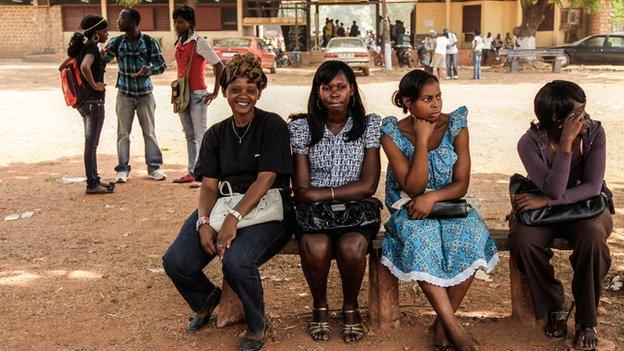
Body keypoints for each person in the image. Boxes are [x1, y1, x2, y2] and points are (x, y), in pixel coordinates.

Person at [162, 53, 293, 351]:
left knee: (237, 261)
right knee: (176, 261)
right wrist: (204, 221)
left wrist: (233, 218)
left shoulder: (272, 126)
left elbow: (266, 179)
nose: (242, 95)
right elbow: (208, 187)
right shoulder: (215, 134)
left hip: (269, 210)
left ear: (259, 92)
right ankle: (207, 299)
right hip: (223, 206)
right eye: (235, 89)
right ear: (224, 92)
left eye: (250, 89)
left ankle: (256, 323)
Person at [380, 69, 498, 351]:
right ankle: (455, 330)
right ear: (407, 102)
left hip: (449, 203)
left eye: (438, 97)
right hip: (410, 208)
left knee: (474, 236)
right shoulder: (391, 133)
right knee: (421, 242)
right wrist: (421, 141)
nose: (436, 105)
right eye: (427, 99)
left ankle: (442, 324)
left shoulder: (456, 125)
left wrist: (433, 197)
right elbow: (413, 187)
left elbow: (461, 183)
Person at [509, 80, 613, 351]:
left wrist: (544, 200)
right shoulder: (530, 143)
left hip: (586, 208)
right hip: (545, 211)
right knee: (524, 242)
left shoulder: (594, 134)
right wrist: (566, 143)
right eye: (578, 113)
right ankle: (555, 304)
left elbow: (592, 187)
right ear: (557, 119)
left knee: (592, 238)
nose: (586, 118)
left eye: (585, 110)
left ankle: (586, 320)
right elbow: (554, 188)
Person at [289, 61, 381, 344]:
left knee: (351, 247)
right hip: (315, 215)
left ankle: (351, 306)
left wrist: (324, 192)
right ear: (318, 92)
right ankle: (320, 305)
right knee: (316, 247)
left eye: (341, 87)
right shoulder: (303, 128)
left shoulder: (368, 125)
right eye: (327, 88)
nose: (334, 94)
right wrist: (343, 191)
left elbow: (369, 184)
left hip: (357, 214)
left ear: (352, 90)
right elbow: (302, 190)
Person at [104, 8, 167, 183]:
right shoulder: (116, 42)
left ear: (134, 22)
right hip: (124, 95)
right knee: (123, 133)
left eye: (122, 17)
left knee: (149, 133)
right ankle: (122, 170)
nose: (117, 21)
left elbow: (161, 65)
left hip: (145, 95)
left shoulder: (149, 42)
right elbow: (103, 59)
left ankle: (154, 168)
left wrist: (148, 69)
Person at [59, 15, 115, 195]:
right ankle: (92, 184)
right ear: (96, 32)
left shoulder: (84, 48)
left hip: (84, 102)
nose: (107, 33)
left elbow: (64, 65)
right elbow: (84, 67)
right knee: (91, 144)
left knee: (91, 144)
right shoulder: (91, 48)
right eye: (105, 30)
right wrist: (95, 84)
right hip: (93, 101)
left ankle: (95, 179)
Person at [172, 6, 224, 188]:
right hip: (182, 94)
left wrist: (216, 91)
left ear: (191, 23)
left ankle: (204, 175)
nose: (177, 25)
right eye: (175, 21)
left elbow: (219, 65)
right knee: (189, 135)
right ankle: (192, 171)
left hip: (197, 94)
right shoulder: (179, 42)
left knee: (201, 135)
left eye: (180, 21)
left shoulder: (199, 42)